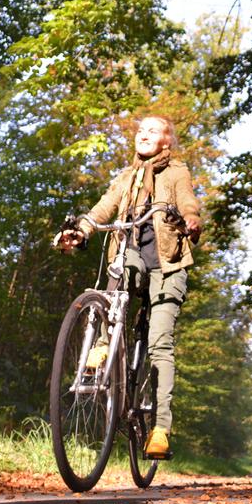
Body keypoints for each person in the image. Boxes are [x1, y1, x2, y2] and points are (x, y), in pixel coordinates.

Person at [56, 115, 203, 460]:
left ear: (166, 141)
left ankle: (160, 430)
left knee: (160, 343)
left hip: (168, 265)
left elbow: (187, 201)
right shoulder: (126, 177)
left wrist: (191, 219)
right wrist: (81, 230)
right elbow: (102, 208)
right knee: (120, 267)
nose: (143, 134)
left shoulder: (176, 172)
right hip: (133, 255)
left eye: (152, 130)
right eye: (140, 130)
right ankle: (103, 345)